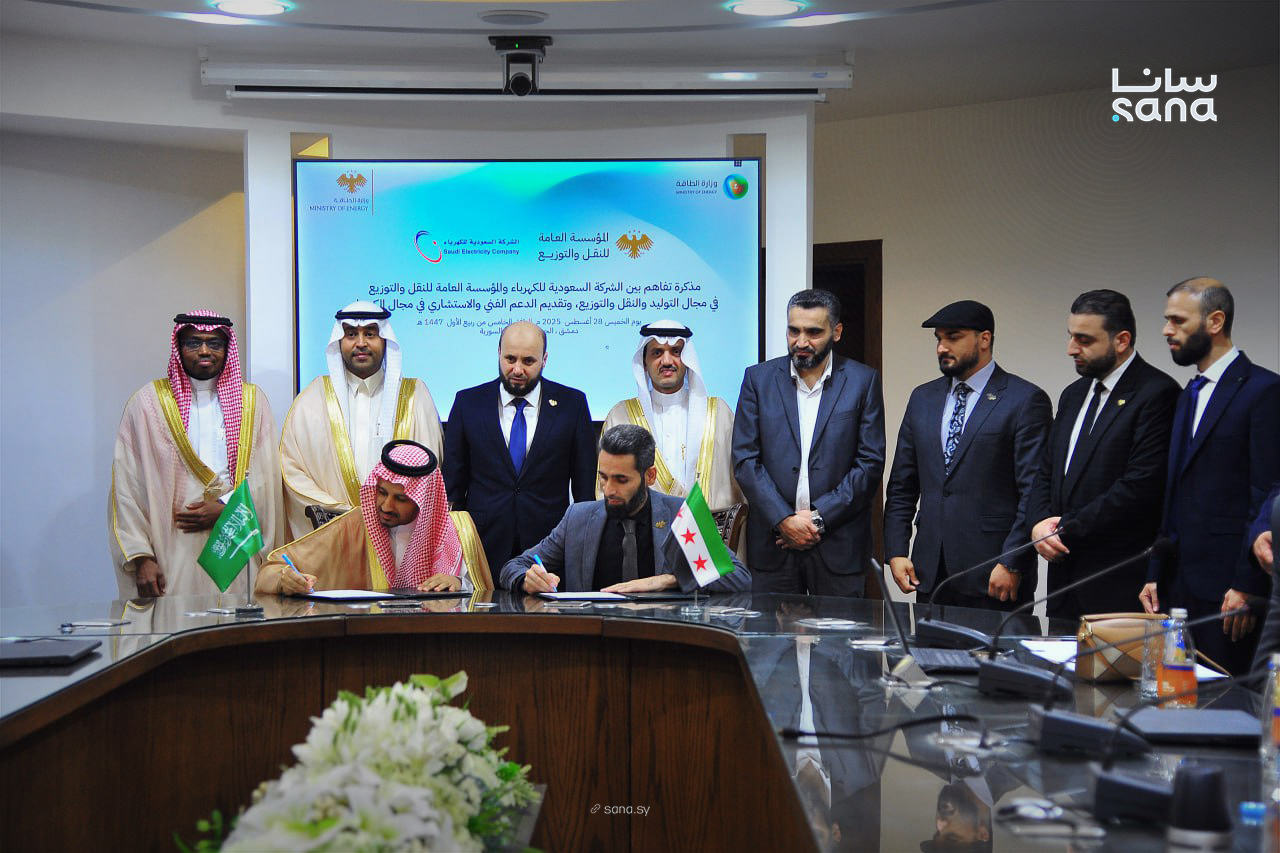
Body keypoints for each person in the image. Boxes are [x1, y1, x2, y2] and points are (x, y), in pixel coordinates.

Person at [1142, 278, 1280, 674]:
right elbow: (1174, 491)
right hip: (1176, 587)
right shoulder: (1188, 394)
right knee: (1173, 693)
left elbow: (1267, 491)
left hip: (1228, 591)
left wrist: (1248, 584)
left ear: (1215, 321)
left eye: (1177, 320)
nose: (1166, 330)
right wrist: (1155, 573)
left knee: (1222, 700)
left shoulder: (1264, 390)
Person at [884, 300, 1051, 610]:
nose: (941, 347)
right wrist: (896, 550)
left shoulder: (1024, 400)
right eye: (938, 338)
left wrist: (1013, 561)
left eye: (953, 337)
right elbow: (902, 484)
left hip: (994, 571)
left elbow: (1034, 491)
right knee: (928, 644)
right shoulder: (923, 398)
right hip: (931, 570)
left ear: (984, 339)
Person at [108, 311, 284, 598]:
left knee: (236, 617)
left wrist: (227, 507)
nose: (204, 351)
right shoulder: (148, 403)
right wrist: (141, 556)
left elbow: (268, 477)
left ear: (227, 349)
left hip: (235, 537)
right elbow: (128, 486)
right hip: (170, 546)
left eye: (214, 343)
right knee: (176, 618)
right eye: (193, 343)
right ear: (179, 348)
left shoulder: (252, 402)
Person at [1026, 290, 1180, 618]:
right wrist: (1038, 523)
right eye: (1071, 336)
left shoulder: (1157, 393)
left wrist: (1065, 527)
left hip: (1117, 580)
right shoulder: (1073, 394)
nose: (1071, 349)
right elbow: (1047, 470)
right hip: (1064, 578)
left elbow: (1141, 486)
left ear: (1121, 340)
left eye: (1084, 340)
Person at [732, 289, 885, 596]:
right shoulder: (758, 380)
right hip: (773, 547)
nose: (801, 342)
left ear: (836, 332)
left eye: (813, 332)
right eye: (794, 331)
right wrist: (783, 519)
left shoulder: (862, 381)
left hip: (838, 547)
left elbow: (869, 463)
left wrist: (818, 518)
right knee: (770, 629)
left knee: (839, 630)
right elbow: (745, 459)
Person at [499, 424, 750, 594]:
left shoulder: (678, 514)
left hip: (662, 640)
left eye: (621, 480)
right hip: (590, 642)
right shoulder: (578, 518)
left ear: (649, 476)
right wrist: (526, 579)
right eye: (603, 477)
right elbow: (513, 566)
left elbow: (738, 577)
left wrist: (670, 580)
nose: (608, 490)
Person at [278, 301, 444, 539]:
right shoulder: (312, 400)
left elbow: (429, 471)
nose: (361, 343)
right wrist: (343, 516)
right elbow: (291, 470)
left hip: (399, 540)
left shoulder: (415, 396)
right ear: (339, 341)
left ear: (385, 340)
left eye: (370, 334)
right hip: (334, 537)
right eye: (351, 334)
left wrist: (390, 510)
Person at [444, 321, 597, 572]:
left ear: (544, 360)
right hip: (481, 546)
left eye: (528, 361)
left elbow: (584, 492)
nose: (517, 369)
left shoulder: (573, 404)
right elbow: (453, 486)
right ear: (498, 353)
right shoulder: (468, 403)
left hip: (549, 547)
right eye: (510, 359)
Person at [257, 441, 466, 594]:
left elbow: (478, 584)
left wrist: (458, 582)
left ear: (424, 500)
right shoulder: (354, 525)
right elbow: (270, 570)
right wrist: (285, 579)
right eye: (382, 492)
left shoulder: (457, 532)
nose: (386, 506)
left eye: (401, 498)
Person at [601, 320, 744, 511]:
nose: (667, 361)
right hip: (642, 529)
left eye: (676, 352)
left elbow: (741, 484)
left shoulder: (719, 413)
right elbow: (607, 491)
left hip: (709, 528)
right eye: (657, 353)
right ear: (644, 363)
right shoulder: (620, 416)